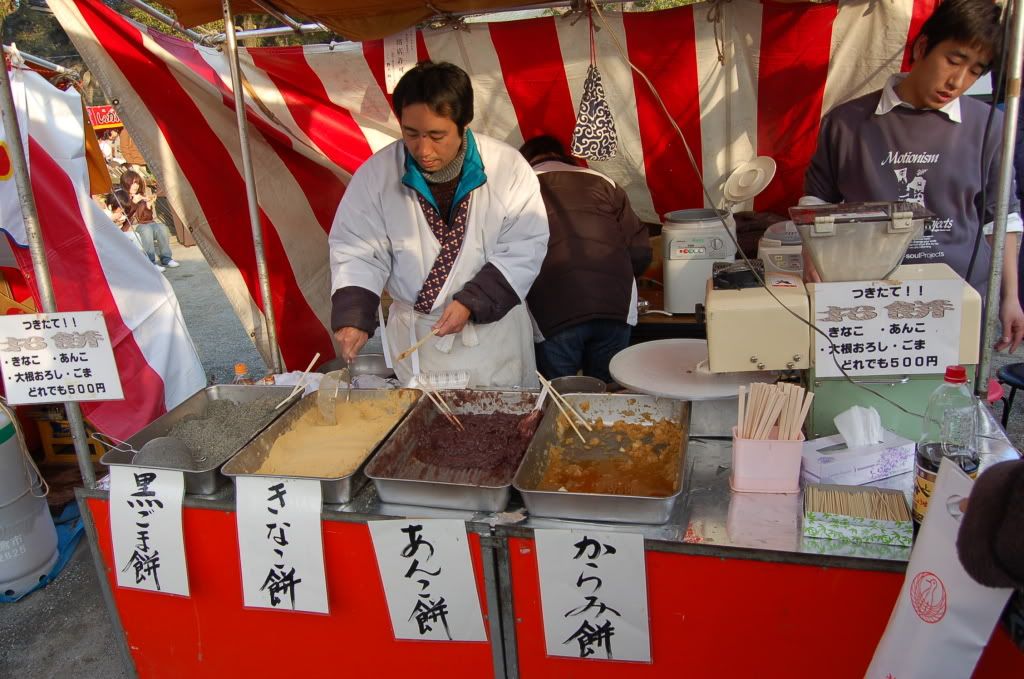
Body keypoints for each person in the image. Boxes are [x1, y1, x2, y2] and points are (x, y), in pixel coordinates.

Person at [803, 0, 1024, 353]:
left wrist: (1010, 297)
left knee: (946, 401)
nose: (958, 81)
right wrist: (811, 258)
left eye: (974, 71)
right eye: (953, 60)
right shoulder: (847, 122)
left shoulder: (990, 127)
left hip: (959, 297)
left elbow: (1002, 219)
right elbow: (816, 202)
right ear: (922, 47)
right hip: (868, 296)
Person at [328, 61, 549, 387]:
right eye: (411, 134)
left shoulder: (507, 167)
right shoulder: (376, 176)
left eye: (437, 135)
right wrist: (353, 315)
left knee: (502, 428)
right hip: (421, 342)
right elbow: (357, 247)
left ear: (463, 124)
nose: (423, 149)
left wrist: (473, 301)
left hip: (493, 338)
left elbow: (525, 245)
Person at [519, 135, 651, 383]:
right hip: (615, 307)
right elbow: (640, 251)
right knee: (609, 397)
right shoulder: (604, 182)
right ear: (566, 157)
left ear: (525, 161)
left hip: (553, 312)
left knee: (561, 402)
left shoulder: (519, 186)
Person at [120, 170, 178, 271]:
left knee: (162, 227)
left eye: (137, 183)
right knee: (146, 230)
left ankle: (166, 258)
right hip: (131, 227)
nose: (136, 186)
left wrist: (148, 206)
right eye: (133, 182)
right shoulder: (122, 197)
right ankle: (150, 263)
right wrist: (133, 203)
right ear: (126, 182)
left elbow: (147, 218)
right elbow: (124, 218)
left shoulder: (140, 196)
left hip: (144, 224)